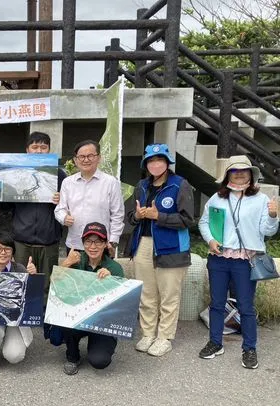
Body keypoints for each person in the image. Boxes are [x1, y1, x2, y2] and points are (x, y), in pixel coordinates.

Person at [198, 155, 278, 370]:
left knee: (245, 305)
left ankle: (249, 348)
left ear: (251, 175)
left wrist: (272, 216)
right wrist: (210, 239)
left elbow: (267, 231)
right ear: (227, 175)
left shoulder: (261, 199)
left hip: (245, 260)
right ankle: (215, 342)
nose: (240, 173)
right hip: (219, 257)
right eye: (235, 171)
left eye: (244, 170)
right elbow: (204, 222)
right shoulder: (217, 198)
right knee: (216, 303)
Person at [127, 144, 195, 357]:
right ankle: (148, 333)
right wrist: (138, 216)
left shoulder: (180, 185)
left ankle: (164, 337)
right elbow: (131, 217)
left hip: (171, 246)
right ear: (146, 165)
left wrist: (159, 217)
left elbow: (187, 220)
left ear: (167, 163)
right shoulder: (141, 185)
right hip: (143, 244)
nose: (155, 164)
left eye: (160, 160)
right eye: (151, 161)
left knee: (169, 295)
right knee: (147, 294)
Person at [5, 132, 66, 300]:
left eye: (43, 147)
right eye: (35, 147)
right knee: (21, 281)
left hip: (49, 240)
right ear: (27, 150)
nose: (39, 151)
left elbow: (70, 203)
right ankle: (22, 319)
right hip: (22, 239)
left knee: (47, 284)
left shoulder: (59, 175)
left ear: (49, 150)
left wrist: (61, 200)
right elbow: (5, 206)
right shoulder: (15, 173)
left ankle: (45, 320)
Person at [59, 223, 124, 374]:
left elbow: (122, 303)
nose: (93, 246)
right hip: (79, 316)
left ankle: (100, 344)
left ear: (105, 244)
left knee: (99, 361)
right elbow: (56, 287)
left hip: (103, 321)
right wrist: (66, 263)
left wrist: (111, 280)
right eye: (88, 241)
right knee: (61, 320)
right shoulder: (76, 261)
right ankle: (72, 356)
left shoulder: (114, 268)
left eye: (98, 241)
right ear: (83, 243)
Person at [0, 230, 37, 376]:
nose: (2, 252)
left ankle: (7, 340)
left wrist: (33, 278)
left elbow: (33, 300)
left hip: (14, 320)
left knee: (15, 356)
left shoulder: (20, 270)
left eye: (7, 249)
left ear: (12, 251)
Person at [54, 140, 124, 254]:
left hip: (101, 245)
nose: (86, 160)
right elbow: (60, 209)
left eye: (90, 156)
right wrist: (64, 217)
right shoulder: (68, 182)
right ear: (76, 160)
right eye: (81, 156)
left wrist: (113, 241)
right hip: (74, 245)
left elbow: (118, 214)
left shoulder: (111, 182)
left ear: (99, 158)